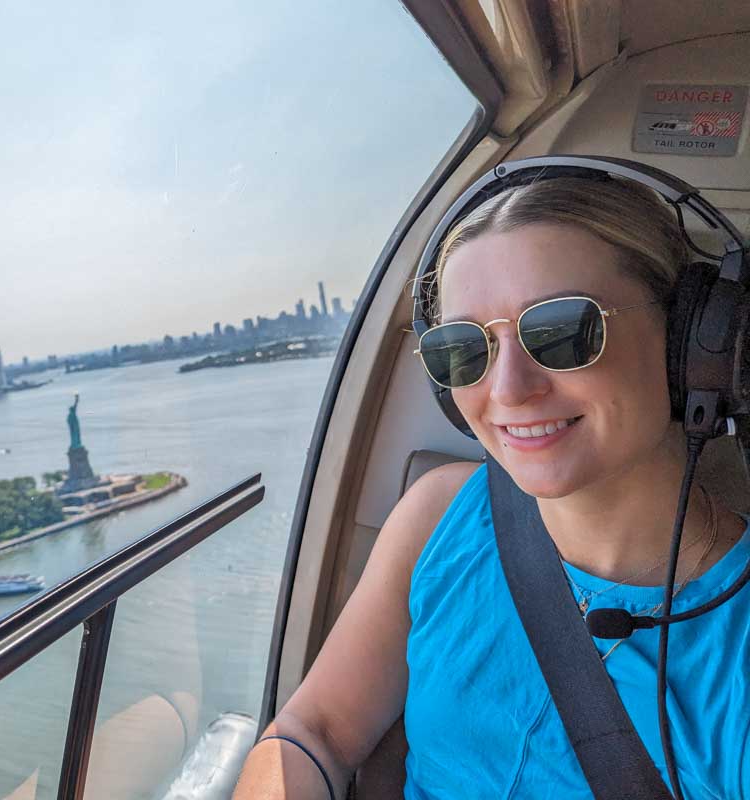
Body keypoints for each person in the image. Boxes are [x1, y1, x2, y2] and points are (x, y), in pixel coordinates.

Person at [233, 175, 750, 798]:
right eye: (462, 348)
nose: (506, 390)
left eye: (561, 331)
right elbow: (313, 732)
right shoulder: (439, 515)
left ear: (692, 343)